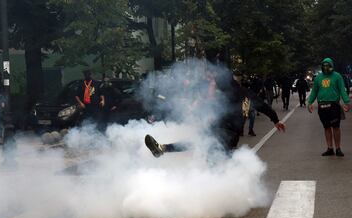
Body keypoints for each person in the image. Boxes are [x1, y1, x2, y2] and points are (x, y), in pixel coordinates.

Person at [145, 69, 286, 158]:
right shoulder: (247, 94)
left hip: (223, 133)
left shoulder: (224, 94)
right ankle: (163, 148)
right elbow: (265, 107)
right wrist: (276, 121)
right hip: (225, 133)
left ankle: (223, 195)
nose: (212, 86)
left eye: (214, 83)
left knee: (214, 161)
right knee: (200, 144)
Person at [308, 58, 350, 156]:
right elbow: (314, 91)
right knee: (326, 127)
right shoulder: (318, 78)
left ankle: (338, 148)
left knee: (336, 127)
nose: (326, 67)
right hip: (322, 106)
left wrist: (347, 102)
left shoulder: (337, 76)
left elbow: (342, 90)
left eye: (328, 65)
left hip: (334, 105)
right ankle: (330, 148)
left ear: (331, 66)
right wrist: (309, 103)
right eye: (324, 65)